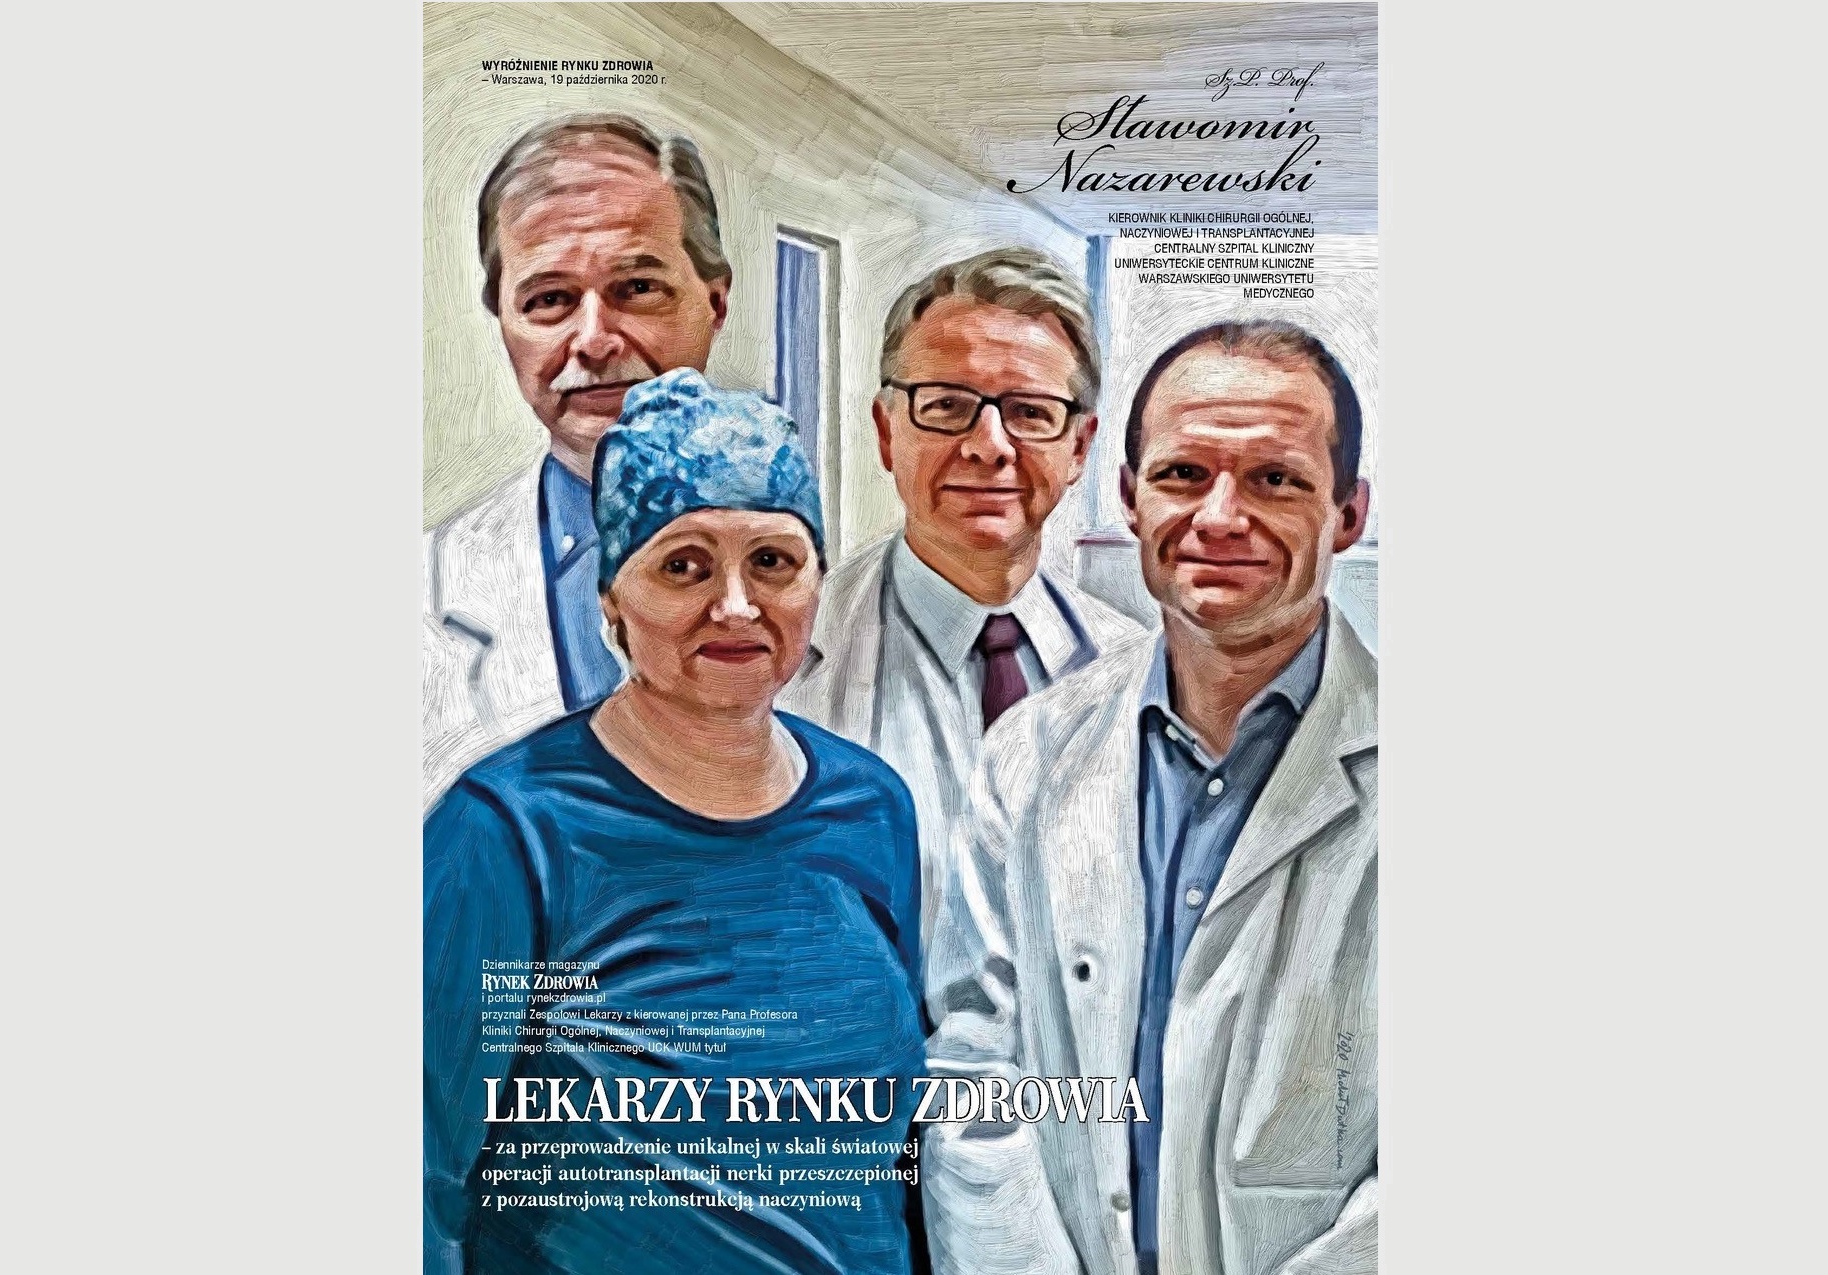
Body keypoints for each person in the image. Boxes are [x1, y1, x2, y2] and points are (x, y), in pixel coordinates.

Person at [424, 370, 928, 1275]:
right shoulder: (507, 829)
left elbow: (899, 1158)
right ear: (611, 599)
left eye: (772, 562)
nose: (735, 605)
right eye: (683, 565)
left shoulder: (871, 806)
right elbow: (421, 1184)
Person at [923, 320, 1377, 1275]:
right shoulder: (1031, 755)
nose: (1220, 516)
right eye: (1182, 474)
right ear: (1130, 497)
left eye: (1275, 479)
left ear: (1347, 513)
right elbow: (974, 1073)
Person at [779, 246, 1141, 944]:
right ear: (886, 432)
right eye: (946, 405)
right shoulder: (780, 662)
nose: (988, 446)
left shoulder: (1135, 667)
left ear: (1078, 447)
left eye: (1029, 411)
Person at [424, 113, 733, 805]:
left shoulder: (840, 598)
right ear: (505, 324)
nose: (593, 340)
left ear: (714, 303)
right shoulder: (420, 600)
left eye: (637, 288)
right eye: (550, 300)